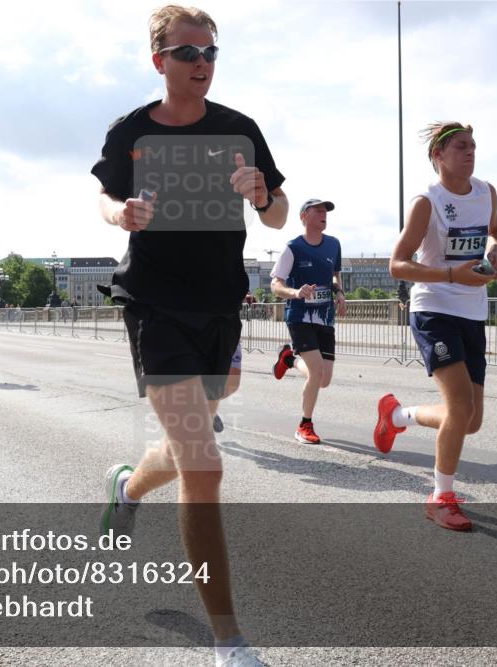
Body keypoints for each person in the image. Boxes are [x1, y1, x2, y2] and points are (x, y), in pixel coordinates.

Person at [92, 6, 287, 666]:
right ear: (159, 61)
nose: (201, 63)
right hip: (154, 305)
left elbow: (278, 210)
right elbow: (104, 198)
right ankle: (228, 641)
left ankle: (127, 486)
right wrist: (123, 211)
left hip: (220, 307)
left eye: (210, 53)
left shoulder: (239, 129)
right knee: (203, 464)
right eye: (187, 54)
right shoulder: (134, 131)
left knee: (192, 434)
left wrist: (262, 193)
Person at [375, 121, 497, 532]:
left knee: (471, 419)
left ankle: (397, 416)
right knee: (460, 406)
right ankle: (440, 497)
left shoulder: (487, 193)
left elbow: (494, 234)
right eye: (461, 146)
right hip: (433, 309)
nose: (471, 152)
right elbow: (397, 264)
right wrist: (451, 276)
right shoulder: (426, 202)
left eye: (474, 146)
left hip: (472, 311)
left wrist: (495, 255)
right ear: (439, 157)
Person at [269, 198, 346, 444]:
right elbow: (275, 284)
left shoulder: (333, 245)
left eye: (326, 211)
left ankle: (289, 359)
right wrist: (295, 292)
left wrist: (339, 292)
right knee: (316, 372)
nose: (324, 214)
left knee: (324, 380)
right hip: (300, 316)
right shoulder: (293, 248)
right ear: (304, 216)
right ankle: (304, 425)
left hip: (324, 318)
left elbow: (334, 276)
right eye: (318, 210)